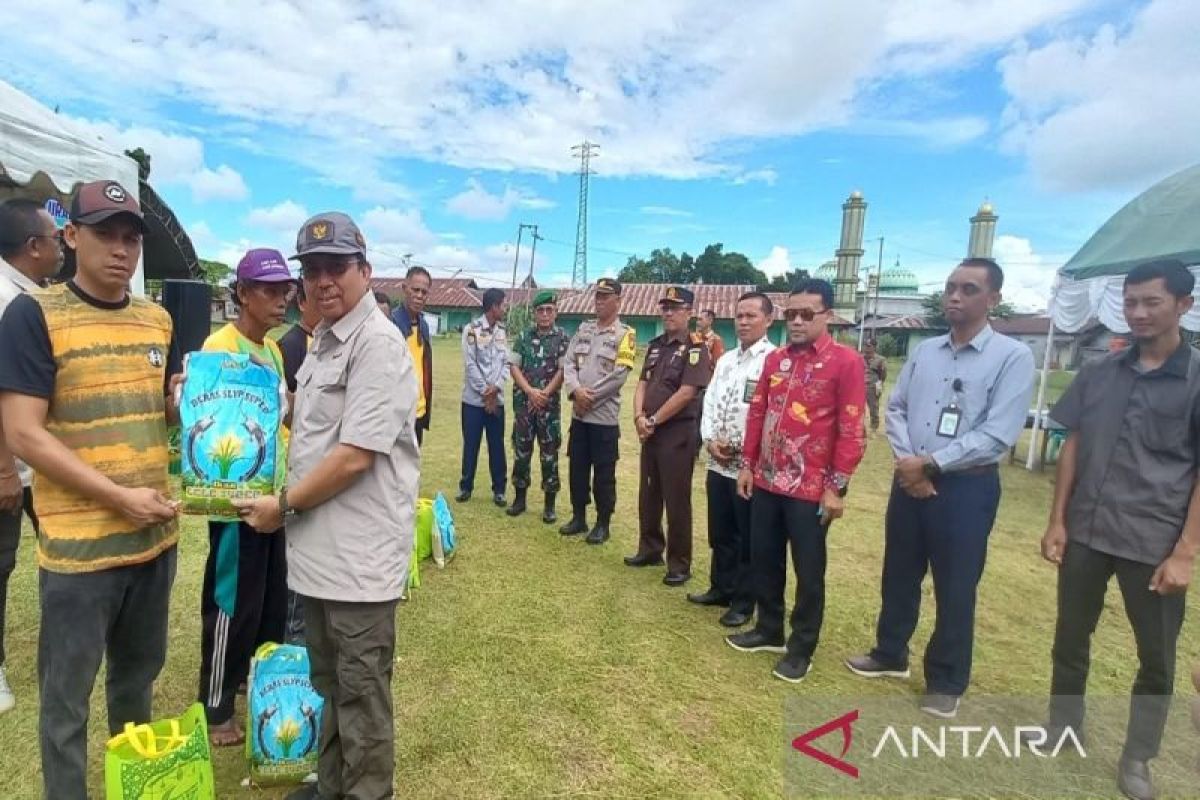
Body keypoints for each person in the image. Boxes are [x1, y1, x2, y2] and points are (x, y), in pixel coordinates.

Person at [0, 180, 181, 799]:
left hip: (153, 542)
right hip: (79, 554)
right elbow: (24, 434)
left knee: (135, 685)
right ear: (71, 235)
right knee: (65, 705)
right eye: (104, 232)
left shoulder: (157, 319)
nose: (121, 249)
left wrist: (196, 402)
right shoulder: (33, 316)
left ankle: (134, 789)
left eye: (131, 237)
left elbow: (157, 410)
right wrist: (117, 497)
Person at [235, 211, 417, 800]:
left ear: (364, 270)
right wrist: (245, 401)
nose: (322, 281)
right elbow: (307, 423)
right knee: (331, 684)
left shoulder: (378, 345)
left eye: (336, 266)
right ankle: (333, 784)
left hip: (358, 568)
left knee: (361, 696)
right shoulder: (325, 340)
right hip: (319, 558)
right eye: (312, 269)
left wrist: (282, 505)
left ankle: (366, 792)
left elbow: (354, 457)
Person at [845, 257, 1035, 718]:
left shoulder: (1012, 357)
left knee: (955, 584)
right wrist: (909, 463)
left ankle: (947, 679)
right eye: (950, 287)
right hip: (909, 479)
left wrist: (929, 465)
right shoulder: (925, 351)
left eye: (969, 289)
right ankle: (890, 653)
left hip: (965, 488)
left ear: (992, 299)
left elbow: (998, 433)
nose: (954, 296)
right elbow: (896, 409)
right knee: (899, 572)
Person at [1038, 259, 1200, 800]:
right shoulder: (1100, 372)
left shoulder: (1196, 381)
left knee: (1155, 659)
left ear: (1184, 304)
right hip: (1087, 530)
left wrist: (1185, 553)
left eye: (1152, 301)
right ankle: (1063, 727)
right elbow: (1074, 447)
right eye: (1131, 302)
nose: (1138, 313)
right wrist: (1058, 520)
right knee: (1069, 638)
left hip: (1153, 542)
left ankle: (1137, 758)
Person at [725, 280, 867, 682]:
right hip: (768, 481)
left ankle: (801, 647)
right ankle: (770, 629)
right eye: (792, 315)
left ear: (827, 316)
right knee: (765, 559)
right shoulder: (777, 360)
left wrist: (836, 487)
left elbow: (852, 427)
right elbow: (758, 414)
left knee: (808, 570)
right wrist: (747, 465)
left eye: (808, 314)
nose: (798, 322)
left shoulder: (846, 362)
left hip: (811, 488)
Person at [195, 248, 294, 746]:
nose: (281, 301)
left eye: (284, 291)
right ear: (241, 294)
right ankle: (214, 708)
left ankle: (251, 684)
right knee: (231, 599)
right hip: (235, 500)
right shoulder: (219, 346)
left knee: (269, 600)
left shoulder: (273, 351)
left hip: (273, 497)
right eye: (269, 291)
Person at [0, 198, 63, 714]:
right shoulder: (6, 299)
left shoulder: (38, 296)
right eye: (54, 236)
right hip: (9, 465)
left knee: (61, 553)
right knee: (1, 564)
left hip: (38, 465)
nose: (61, 244)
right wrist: (4, 469)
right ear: (32, 247)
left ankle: (68, 644)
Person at [688, 292, 776, 627]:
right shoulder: (725, 360)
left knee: (746, 536)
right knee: (721, 530)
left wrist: (741, 449)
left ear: (768, 320)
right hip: (717, 461)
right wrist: (710, 441)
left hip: (746, 466)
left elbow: (766, 414)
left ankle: (743, 601)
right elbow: (708, 402)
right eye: (739, 315)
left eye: (751, 315)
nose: (743, 322)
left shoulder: (772, 360)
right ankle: (720, 587)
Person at [625, 286, 712, 585]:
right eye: (665, 307)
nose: (668, 313)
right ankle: (649, 548)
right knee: (648, 493)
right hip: (649, 431)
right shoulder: (656, 345)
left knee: (676, 499)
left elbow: (688, 392)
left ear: (689, 312)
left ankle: (679, 564)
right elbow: (642, 383)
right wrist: (639, 417)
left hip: (677, 433)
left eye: (675, 307)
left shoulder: (696, 347)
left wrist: (653, 419)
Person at [559, 278, 637, 543]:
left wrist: (588, 398)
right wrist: (575, 391)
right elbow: (568, 363)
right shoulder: (584, 329)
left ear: (618, 299)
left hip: (603, 418)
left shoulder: (625, 334)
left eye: (605, 296)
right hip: (579, 416)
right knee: (577, 469)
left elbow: (619, 376)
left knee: (604, 474)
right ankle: (578, 517)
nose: (599, 301)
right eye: (597, 296)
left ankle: (603, 523)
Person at [277, 276, 322, 645]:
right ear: (303, 304)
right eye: (316, 299)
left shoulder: (323, 343)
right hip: (292, 464)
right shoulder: (289, 346)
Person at [506, 290, 570, 523]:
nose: (544, 314)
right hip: (525, 405)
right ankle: (519, 499)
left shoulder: (563, 337)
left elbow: (564, 370)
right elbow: (513, 367)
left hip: (548, 408)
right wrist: (531, 392)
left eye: (549, 310)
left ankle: (549, 505)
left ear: (555, 312)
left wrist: (544, 393)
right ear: (534, 313)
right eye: (540, 310)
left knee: (549, 454)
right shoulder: (523, 336)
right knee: (521, 452)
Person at [458, 288, 509, 506]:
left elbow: (506, 363)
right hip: (473, 401)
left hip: (496, 400)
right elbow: (470, 365)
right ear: (494, 307)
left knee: (496, 446)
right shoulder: (471, 330)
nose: (505, 309)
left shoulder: (502, 333)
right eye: (503, 305)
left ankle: (499, 489)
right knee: (471, 445)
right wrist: (484, 392)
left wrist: (495, 388)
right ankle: (466, 487)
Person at [391, 265, 433, 446]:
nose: (419, 296)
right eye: (415, 290)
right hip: (396, 414)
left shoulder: (423, 326)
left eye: (424, 292)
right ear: (404, 289)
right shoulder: (391, 324)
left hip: (419, 411)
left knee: (412, 470)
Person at [862, 339, 887, 434]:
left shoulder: (880, 360)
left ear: (874, 347)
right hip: (860, 386)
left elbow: (883, 374)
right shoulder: (860, 358)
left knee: (873, 407)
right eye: (865, 346)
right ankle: (859, 426)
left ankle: (874, 427)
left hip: (872, 387)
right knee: (858, 407)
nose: (866, 348)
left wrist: (879, 384)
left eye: (869, 346)